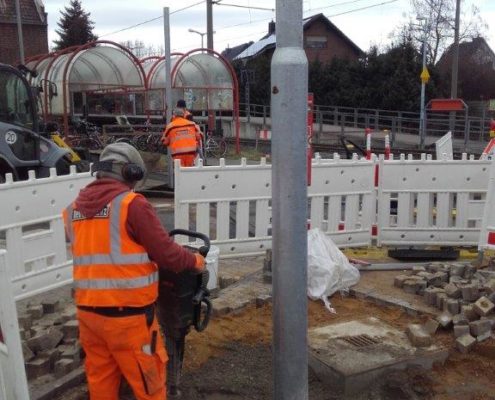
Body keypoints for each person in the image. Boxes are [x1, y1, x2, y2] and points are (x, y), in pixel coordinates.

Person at [62, 142, 205, 400]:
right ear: (131, 173)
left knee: (102, 386)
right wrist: (195, 262)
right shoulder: (132, 205)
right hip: (128, 320)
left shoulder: (73, 211)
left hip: (89, 318)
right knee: (150, 388)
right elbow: (167, 254)